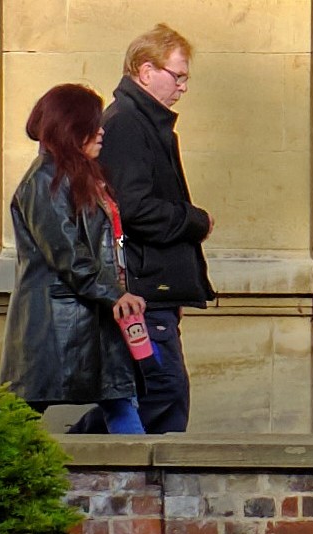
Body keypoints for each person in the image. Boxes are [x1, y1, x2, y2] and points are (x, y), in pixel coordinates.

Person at [3, 84, 149, 435]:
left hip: (93, 315)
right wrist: (115, 295)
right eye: (92, 124)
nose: (101, 131)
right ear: (71, 127)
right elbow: (67, 253)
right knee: (20, 413)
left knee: (120, 399)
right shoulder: (44, 180)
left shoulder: (79, 176)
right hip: (56, 321)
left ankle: (139, 468)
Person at [98, 23, 212, 434]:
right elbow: (134, 209)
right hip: (144, 290)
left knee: (156, 395)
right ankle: (69, 456)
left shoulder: (144, 122)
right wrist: (196, 221)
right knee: (162, 392)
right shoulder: (127, 124)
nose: (183, 87)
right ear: (146, 71)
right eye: (177, 76)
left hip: (154, 288)